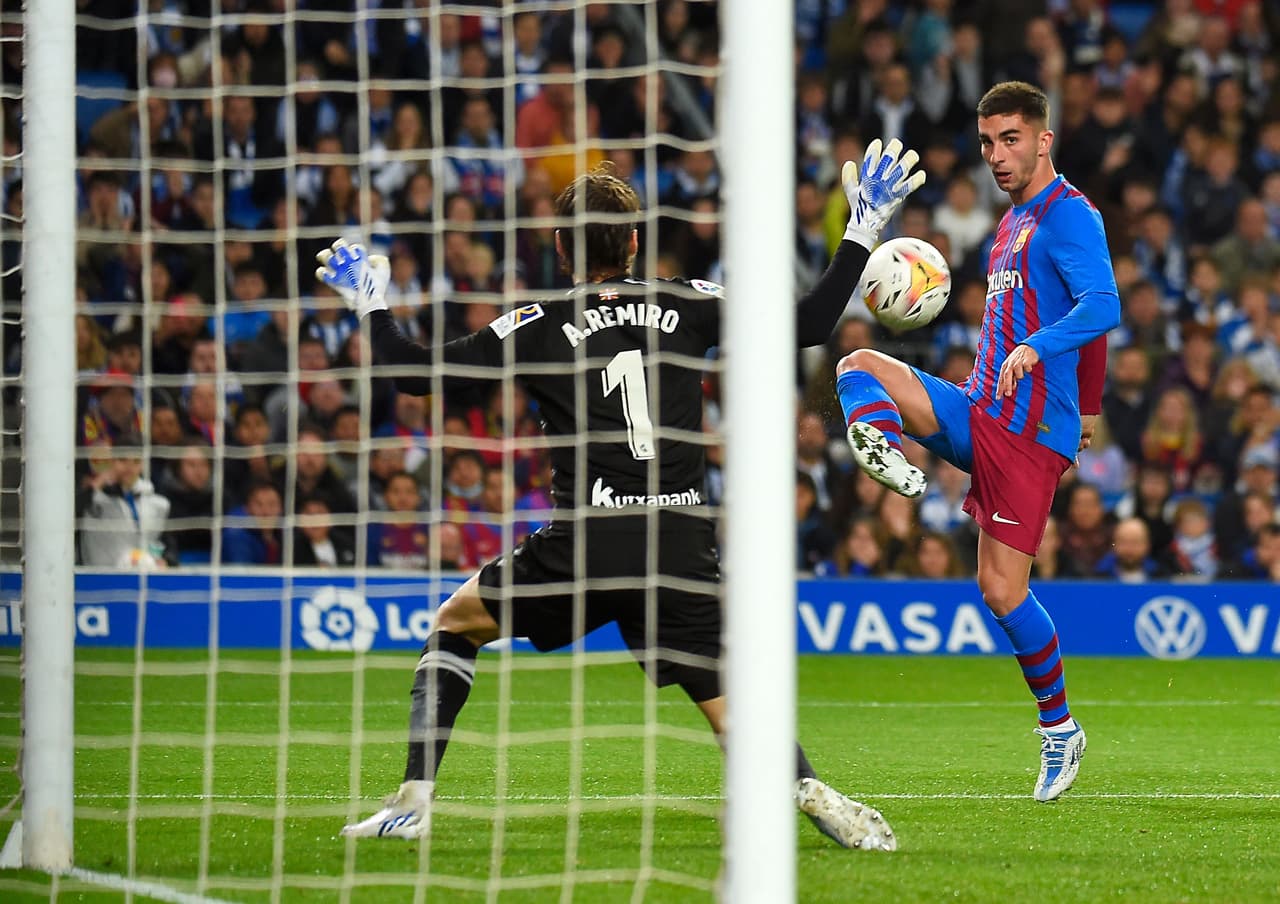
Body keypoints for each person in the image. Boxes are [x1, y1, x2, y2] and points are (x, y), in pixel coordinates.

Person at [324, 144, 927, 849]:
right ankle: (800, 782)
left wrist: (372, 306)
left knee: (456, 625)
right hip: (677, 542)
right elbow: (811, 325)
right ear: (636, 242)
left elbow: (413, 376)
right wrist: (860, 233)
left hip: (586, 540)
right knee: (727, 704)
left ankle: (411, 802)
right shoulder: (692, 301)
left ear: (559, 248)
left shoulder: (536, 325)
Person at [833, 82, 1119, 802]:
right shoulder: (1010, 224)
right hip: (984, 409)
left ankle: (1060, 730)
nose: (997, 154)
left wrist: (1066, 384)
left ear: (1044, 139)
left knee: (999, 590)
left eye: (1011, 138)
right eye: (989, 141)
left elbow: (1103, 304)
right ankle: (885, 446)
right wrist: (1072, 391)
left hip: (1027, 438)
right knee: (858, 364)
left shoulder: (1070, 216)